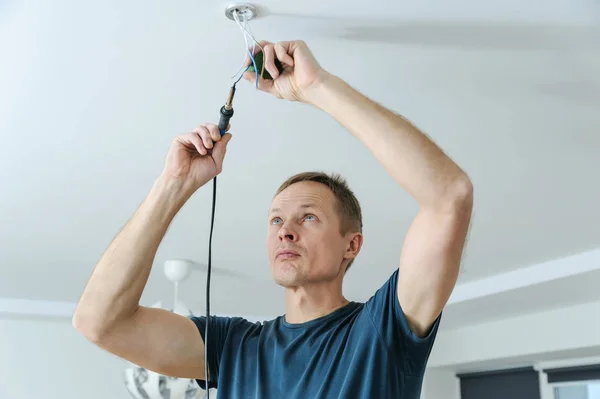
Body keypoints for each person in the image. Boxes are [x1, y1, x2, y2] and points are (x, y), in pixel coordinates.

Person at [73, 39, 473, 398]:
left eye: (309, 218)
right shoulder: (233, 346)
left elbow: (449, 198)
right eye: (276, 221)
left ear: (351, 244)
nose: (286, 232)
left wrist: (316, 88)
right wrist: (173, 184)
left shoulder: (381, 331)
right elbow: (99, 322)